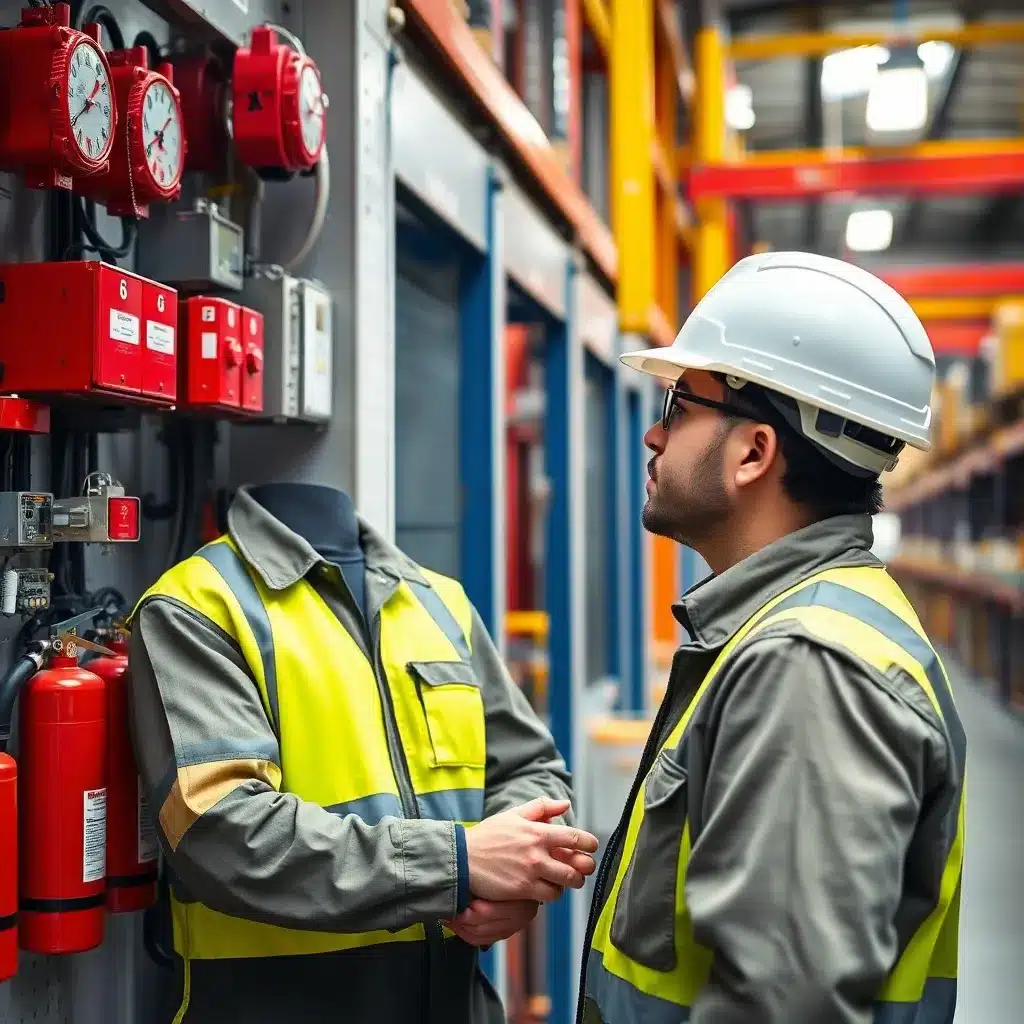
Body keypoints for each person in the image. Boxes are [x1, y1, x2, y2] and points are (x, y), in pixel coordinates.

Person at [579, 251, 966, 1024]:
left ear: (755, 451)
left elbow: (785, 1003)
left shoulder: (807, 664)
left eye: (681, 408)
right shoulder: (803, 623)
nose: (654, 436)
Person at [126, 481, 597, 1024]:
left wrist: (520, 876)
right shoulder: (197, 607)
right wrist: (460, 865)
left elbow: (530, 768)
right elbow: (222, 832)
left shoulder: (438, 602)